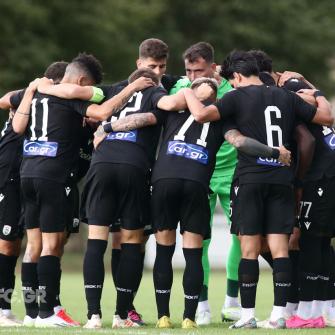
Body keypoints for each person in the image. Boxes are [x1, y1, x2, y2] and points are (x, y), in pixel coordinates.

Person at [94, 75, 291, 329]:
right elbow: (240, 142)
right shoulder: (221, 120)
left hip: (163, 182)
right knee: (194, 254)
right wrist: (274, 152)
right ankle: (189, 317)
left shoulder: (172, 111)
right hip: (196, 185)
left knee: (164, 250)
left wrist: (106, 128)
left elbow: (141, 119)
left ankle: (163, 317)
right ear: (215, 99)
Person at [182, 50, 333, 329]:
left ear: (237, 76)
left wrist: (188, 90)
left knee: (249, 249)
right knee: (280, 249)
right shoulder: (286, 96)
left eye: (233, 80)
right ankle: (279, 316)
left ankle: (248, 315)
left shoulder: (235, 97)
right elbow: (326, 117)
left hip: (250, 179)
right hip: (282, 181)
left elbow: (202, 114)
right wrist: (318, 91)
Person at [11, 52, 145, 328]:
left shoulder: (35, 95)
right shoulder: (69, 96)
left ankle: (31, 312)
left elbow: (16, 126)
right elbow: (102, 112)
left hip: (28, 172)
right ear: (82, 81)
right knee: (51, 245)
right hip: (53, 175)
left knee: (33, 246)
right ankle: (48, 313)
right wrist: (133, 87)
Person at [170, 41, 241, 325]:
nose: (193, 75)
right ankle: (200, 304)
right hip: (198, 172)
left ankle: (232, 301)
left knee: (242, 235)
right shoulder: (181, 88)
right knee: (199, 239)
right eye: (188, 70)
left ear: (214, 67)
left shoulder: (232, 89)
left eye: (199, 70)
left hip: (232, 170)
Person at [279, 76, 335, 328]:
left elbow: (307, 143)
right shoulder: (320, 116)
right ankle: (324, 310)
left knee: (311, 244)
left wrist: (299, 182)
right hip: (329, 180)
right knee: (323, 244)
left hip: (320, 181)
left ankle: (308, 314)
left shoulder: (304, 119)